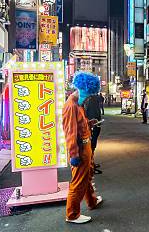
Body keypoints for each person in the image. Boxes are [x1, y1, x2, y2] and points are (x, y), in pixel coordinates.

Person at [62, 72, 103, 224]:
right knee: (78, 181)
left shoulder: (77, 104)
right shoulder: (71, 106)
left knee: (87, 177)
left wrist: (89, 123)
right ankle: (72, 214)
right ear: (81, 90)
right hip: (79, 148)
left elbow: (79, 125)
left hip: (85, 147)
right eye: (87, 94)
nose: (87, 98)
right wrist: (74, 154)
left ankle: (91, 201)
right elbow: (70, 133)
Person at [84, 92, 103, 174]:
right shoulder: (89, 99)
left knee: (92, 144)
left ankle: (91, 163)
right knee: (91, 145)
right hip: (92, 124)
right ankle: (90, 164)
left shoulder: (91, 98)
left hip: (94, 123)